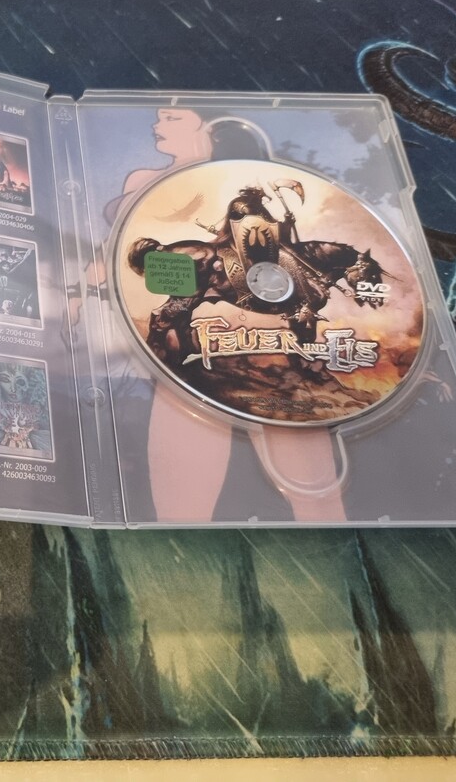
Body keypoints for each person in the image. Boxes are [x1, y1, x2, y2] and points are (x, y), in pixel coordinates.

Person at [99, 107, 346, 523]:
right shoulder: (144, 183)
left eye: (172, 118)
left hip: (271, 345)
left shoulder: (253, 193)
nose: (157, 124)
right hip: (198, 353)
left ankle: (325, 522)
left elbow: (278, 243)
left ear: (208, 128)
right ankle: (180, 528)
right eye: (160, 117)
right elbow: (117, 254)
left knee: (310, 473)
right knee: (185, 435)